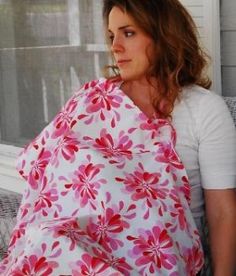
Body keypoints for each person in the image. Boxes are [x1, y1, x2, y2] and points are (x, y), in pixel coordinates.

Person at [0, 0, 235, 275]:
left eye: (129, 33)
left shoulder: (204, 109)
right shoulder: (91, 102)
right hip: (75, 248)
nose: (115, 47)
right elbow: (49, 177)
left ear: (164, 35)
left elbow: (222, 212)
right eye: (112, 36)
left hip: (159, 259)